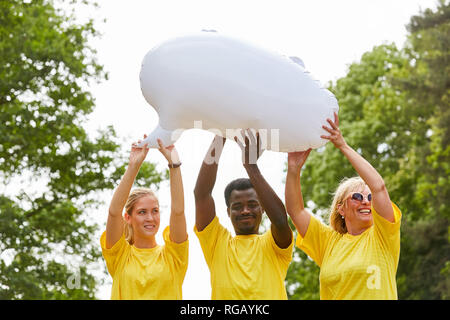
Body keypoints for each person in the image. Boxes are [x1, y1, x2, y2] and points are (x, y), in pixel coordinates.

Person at [285, 112, 402, 300]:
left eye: (369, 197)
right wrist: (293, 169)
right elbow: (295, 211)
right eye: (357, 196)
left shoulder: (383, 235)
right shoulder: (328, 241)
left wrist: (342, 145)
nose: (366, 201)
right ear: (341, 208)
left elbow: (379, 187)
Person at [194, 130, 294, 300]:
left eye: (253, 205)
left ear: (263, 208)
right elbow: (201, 194)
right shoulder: (217, 243)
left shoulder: (273, 245)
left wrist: (251, 166)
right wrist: (221, 133)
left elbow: (280, 221)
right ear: (228, 212)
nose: (245, 210)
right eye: (238, 206)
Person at [100, 136, 188, 299]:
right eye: (142, 212)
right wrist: (134, 165)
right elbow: (113, 212)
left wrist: (174, 165)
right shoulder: (119, 256)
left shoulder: (173, 256)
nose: (150, 218)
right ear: (128, 217)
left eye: (155, 211)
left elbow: (178, 212)